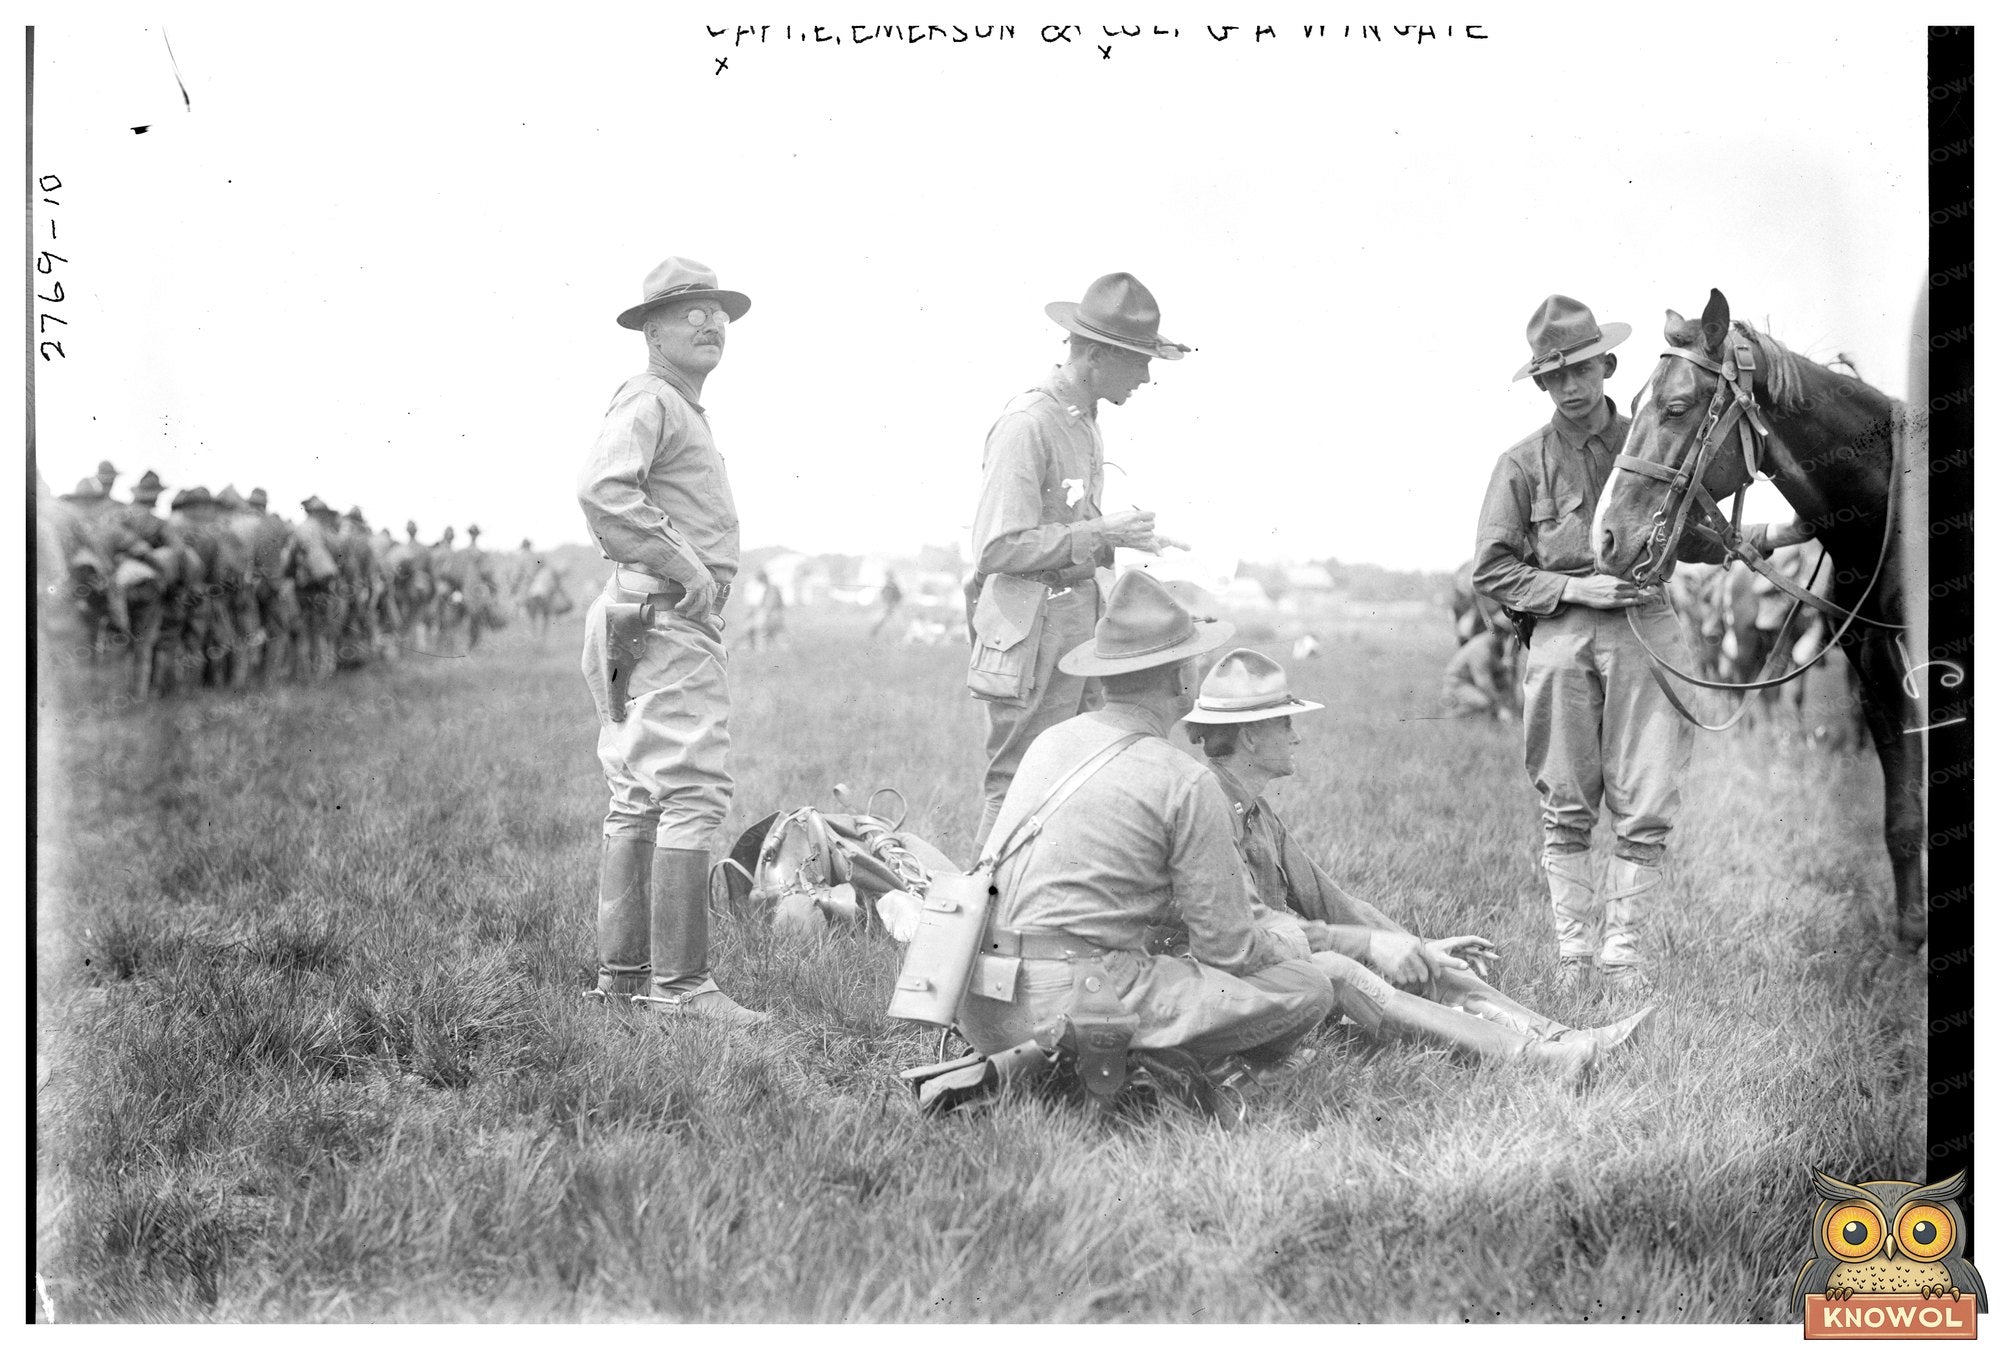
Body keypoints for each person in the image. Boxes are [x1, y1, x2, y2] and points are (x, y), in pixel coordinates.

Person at [1471, 295, 1804, 997]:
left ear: (1607, 367)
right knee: (1565, 799)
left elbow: (1695, 532)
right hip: (1562, 632)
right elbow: (1493, 569)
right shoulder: (1520, 464)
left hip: (1647, 626)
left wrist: (1771, 538)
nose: (1570, 386)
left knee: (1648, 796)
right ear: (1541, 384)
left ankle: (1621, 956)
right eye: (1554, 376)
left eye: (1581, 370)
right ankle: (1572, 956)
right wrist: (1573, 592)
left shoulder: (1651, 433)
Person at [1182, 649, 1652, 1078]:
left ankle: (1566, 1038)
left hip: (1269, 969)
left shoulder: (1257, 811)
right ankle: (1539, 1061)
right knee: (1340, 969)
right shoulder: (1209, 808)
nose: (1297, 737)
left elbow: (1331, 901)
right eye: (1285, 724)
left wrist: (1416, 947)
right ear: (1248, 737)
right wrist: (1370, 945)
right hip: (1223, 985)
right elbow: (1249, 933)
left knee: (1425, 960)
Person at [957, 571, 1337, 1079]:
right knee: (1308, 988)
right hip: (1069, 1009)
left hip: (980, 1004)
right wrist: (1290, 939)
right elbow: (1231, 950)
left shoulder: (1050, 742)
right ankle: (1175, 1067)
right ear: (1181, 679)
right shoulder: (1184, 778)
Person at [576, 256, 765, 1026]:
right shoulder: (653, 397)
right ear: (650, 330)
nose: (710, 322)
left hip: (641, 613)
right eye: (689, 312)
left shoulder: (676, 404)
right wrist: (684, 563)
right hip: (664, 616)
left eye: (717, 310)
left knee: (640, 795)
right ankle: (682, 989)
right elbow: (602, 491)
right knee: (689, 792)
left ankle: (624, 980)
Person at [966, 273, 1189, 852]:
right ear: (1093, 356)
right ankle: (969, 925)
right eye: (1138, 362)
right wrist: (1099, 531)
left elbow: (1064, 531)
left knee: (1072, 775)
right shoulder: (1030, 424)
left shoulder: (1083, 421)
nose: (1145, 377)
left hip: (1070, 628)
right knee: (1018, 778)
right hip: (1031, 633)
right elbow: (995, 548)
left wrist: (1120, 542)